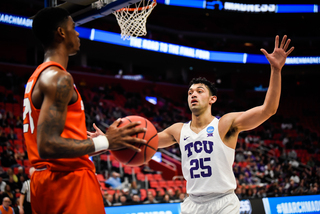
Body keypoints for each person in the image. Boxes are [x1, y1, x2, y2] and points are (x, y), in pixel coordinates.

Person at [24, 7, 147, 214]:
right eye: (74, 27)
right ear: (61, 33)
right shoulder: (58, 78)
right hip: (68, 183)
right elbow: (48, 146)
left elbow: (51, 145)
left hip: (46, 181)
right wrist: (107, 141)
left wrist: (100, 145)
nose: (78, 32)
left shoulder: (38, 77)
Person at [156, 35, 294, 213]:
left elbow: (268, 110)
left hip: (223, 202)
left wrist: (276, 71)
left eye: (199, 91)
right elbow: (147, 141)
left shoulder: (225, 124)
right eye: (190, 92)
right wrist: (108, 140)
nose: (193, 95)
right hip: (192, 204)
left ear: (212, 99)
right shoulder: (178, 130)